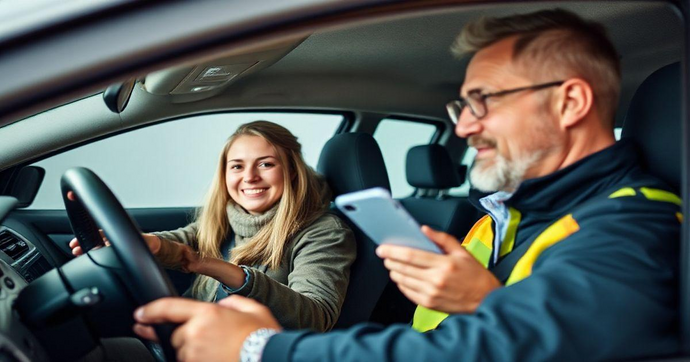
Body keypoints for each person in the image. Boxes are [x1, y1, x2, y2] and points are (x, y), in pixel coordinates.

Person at [131, 9, 682, 361]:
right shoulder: (503, 217)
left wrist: (259, 349)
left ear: (570, 102)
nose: (465, 126)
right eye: (462, 106)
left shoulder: (632, 228)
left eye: (483, 101)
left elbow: (500, 344)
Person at [70, 120, 356, 332]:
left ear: (292, 170)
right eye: (237, 166)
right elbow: (182, 242)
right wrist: (139, 242)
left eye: (266, 164)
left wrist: (217, 268)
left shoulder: (324, 232)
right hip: (188, 339)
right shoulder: (226, 216)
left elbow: (317, 317)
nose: (250, 177)